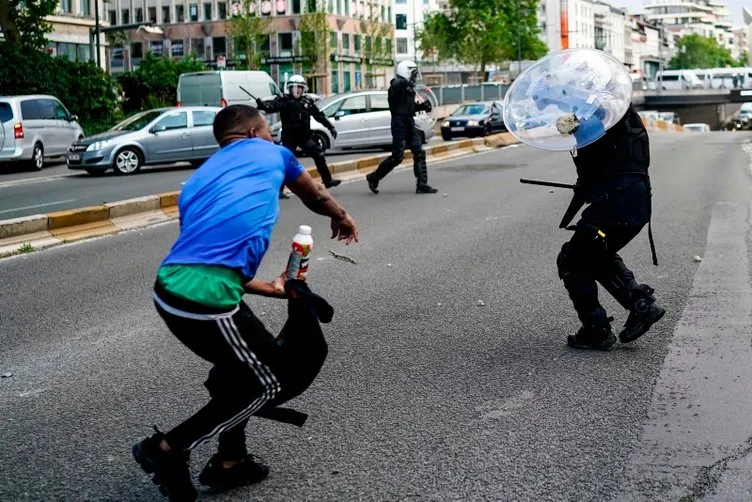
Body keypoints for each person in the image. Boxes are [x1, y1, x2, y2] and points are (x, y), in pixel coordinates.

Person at [132, 104, 358, 501]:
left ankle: (230, 461)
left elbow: (206, 257)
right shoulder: (274, 153)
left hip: (174, 289)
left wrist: (270, 288)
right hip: (205, 301)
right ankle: (168, 449)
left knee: (239, 371)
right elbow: (316, 193)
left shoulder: (198, 182)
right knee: (268, 382)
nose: (272, 139)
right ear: (255, 133)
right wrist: (341, 216)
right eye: (269, 132)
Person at [555, 102, 666, 350]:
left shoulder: (592, 118)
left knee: (572, 260)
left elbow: (593, 162)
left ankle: (596, 331)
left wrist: (577, 128)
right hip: (633, 201)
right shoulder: (618, 113)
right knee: (595, 253)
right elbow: (606, 165)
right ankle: (642, 306)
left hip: (616, 203)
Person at [255, 74, 341, 200]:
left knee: (319, 155)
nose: (298, 90)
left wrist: (330, 127)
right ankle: (279, 190)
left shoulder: (307, 101)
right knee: (285, 163)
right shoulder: (283, 100)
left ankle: (327, 181)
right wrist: (262, 105)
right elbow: (271, 107)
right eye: (295, 87)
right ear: (289, 88)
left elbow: (319, 116)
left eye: (300, 87)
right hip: (289, 138)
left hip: (305, 137)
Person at [366, 60, 438, 194]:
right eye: (413, 74)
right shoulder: (397, 85)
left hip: (409, 122)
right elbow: (396, 91)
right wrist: (405, 82)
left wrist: (422, 106)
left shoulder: (409, 89)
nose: (415, 78)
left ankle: (422, 184)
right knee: (397, 157)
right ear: (407, 72)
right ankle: (373, 177)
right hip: (399, 123)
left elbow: (408, 108)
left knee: (419, 152)